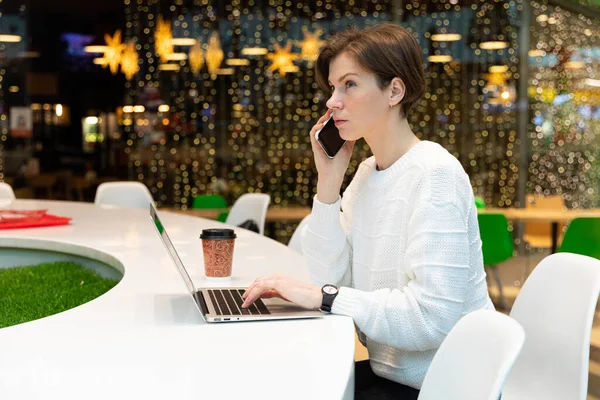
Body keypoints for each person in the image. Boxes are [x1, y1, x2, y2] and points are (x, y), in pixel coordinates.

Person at [241, 23, 494, 399]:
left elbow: (431, 318)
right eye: (332, 87)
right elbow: (328, 277)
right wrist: (328, 184)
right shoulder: (364, 175)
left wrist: (324, 296)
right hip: (395, 378)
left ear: (394, 90)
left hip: (447, 386)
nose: (332, 101)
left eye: (350, 85)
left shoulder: (434, 174)